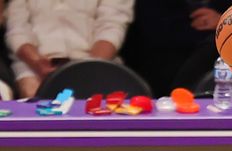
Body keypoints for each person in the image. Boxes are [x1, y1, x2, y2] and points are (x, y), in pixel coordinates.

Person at [4, 0, 134, 98]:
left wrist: (90, 67)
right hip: (35, 64)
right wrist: (37, 63)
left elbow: (112, 25)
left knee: (98, 97)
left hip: (95, 60)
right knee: (33, 94)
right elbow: (17, 29)